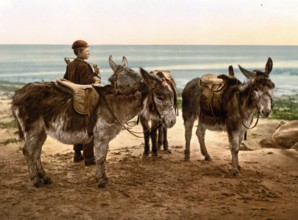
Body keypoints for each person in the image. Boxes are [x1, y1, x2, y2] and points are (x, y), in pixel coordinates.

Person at [63, 40, 101, 166]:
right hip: (85, 100)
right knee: (89, 128)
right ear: (79, 52)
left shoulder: (71, 65)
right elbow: (87, 84)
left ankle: (77, 154)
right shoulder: (84, 66)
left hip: (74, 100)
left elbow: (66, 80)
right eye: (87, 51)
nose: (89, 53)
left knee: (79, 127)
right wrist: (96, 76)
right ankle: (89, 158)